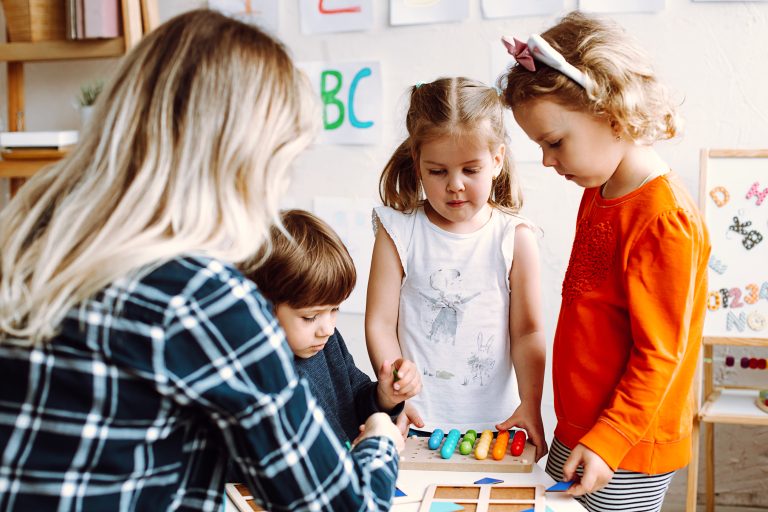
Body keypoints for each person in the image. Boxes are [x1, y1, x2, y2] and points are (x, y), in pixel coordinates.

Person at [0, 10, 402, 512]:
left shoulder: (29, 245)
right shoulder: (198, 295)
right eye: (281, 162)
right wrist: (381, 439)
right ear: (239, 162)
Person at [500, 11, 711, 512]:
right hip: (582, 429)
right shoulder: (599, 190)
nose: (549, 161)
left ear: (612, 113)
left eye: (554, 143)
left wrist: (609, 440)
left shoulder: (663, 219)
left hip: (624, 447)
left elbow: (660, 356)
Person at [365, 76, 548, 461]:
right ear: (417, 164)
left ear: (497, 160)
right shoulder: (397, 230)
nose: (455, 185)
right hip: (416, 423)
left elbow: (528, 332)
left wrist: (531, 403)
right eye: (437, 171)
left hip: (495, 429)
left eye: (470, 169)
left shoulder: (515, 237)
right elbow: (381, 322)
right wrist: (396, 387)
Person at [242, 209, 421, 446]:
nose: (327, 328)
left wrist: (385, 397)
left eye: (334, 309)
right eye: (310, 316)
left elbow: (355, 399)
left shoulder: (326, 341)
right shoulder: (259, 373)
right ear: (264, 308)